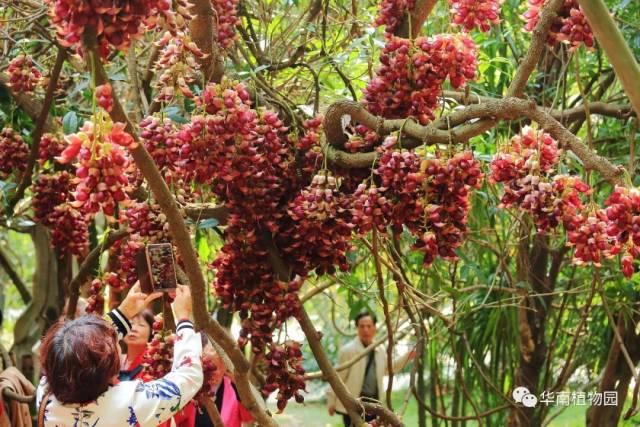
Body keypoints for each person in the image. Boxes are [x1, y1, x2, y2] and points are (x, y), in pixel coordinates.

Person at [36, 283, 203, 426]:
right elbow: (188, 376)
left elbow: (80, 351)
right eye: (115, 346)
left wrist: (123, 312)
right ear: (106, 367)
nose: (118, 342)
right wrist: (184, 319)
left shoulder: (45, 394)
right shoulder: (128, 403)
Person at [326, 311, 415, 427]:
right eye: (362, 326)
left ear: (374, 328)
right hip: (354, 404)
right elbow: (337, 378)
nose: (366, 330)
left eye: (369, 326)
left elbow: (389, 369)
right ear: (357, 328)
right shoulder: (348, 351)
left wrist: (409, 355)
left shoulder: (380, 349)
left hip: (374, 405)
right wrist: (331, 400)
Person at [119, 309, 197, 427]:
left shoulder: (157, 362)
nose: (134, 328)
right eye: (130, 323)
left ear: (152, 331)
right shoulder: (116, 361)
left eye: (141, 325)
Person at [194, 339, 253, 427]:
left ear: (226, 366)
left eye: (219, 367)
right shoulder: (193, 385)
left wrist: (239, 386)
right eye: (212, 368)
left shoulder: (234, 386)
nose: (216, 372)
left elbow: (248, 417)